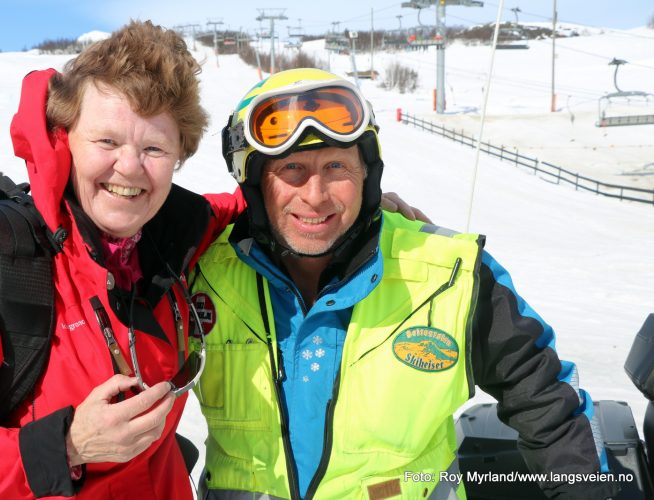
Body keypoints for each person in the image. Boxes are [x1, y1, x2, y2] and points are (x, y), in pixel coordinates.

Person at [188, 68, 619, 499]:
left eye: (337, 165)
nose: (316, 195)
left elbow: (547, 405)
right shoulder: (200, 277)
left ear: (367, 173)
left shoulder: (451, 275)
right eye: (292, 168)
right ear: (256, 181)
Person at [0, 21, 244, 498]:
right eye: (107, 142)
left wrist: (365, 201)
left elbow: (267, 207)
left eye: (154, 148)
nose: (129, 167)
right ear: (65, 139)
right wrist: (66, 445)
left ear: (178, 157)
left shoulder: (174, 236)